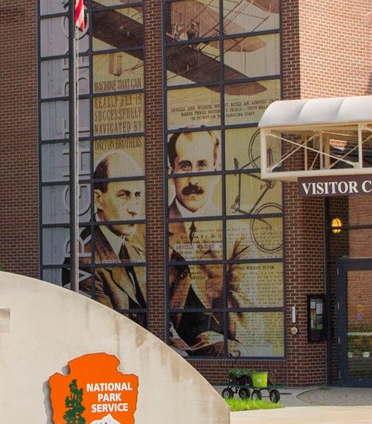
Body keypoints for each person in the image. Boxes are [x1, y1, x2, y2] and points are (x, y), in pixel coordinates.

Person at [164, 128, 245, 355]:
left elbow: (244, 314)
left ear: (216, 172)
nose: (194, 179)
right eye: (186, 166)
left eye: (202, 165)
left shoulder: (237, 234)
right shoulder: (149, 232)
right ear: (172, 172)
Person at [71, 150, 147, 322]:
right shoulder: (84, 259)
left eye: (137, 196)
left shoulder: (136, 253)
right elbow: (105, 327)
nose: (134, 209)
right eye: (123, 196)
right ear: (98, 200)